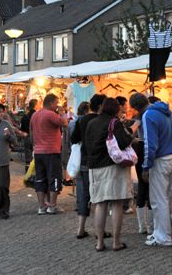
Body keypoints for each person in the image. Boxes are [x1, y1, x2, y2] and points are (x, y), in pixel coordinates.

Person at [84, 98, 134, 252]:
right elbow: (124, 142)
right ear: (115, 109)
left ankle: (99, 242)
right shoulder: (115, 123)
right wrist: (132, 136)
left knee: (100, 204)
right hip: (113, 167)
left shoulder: (91, 123)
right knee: (117, 203)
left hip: (95, 167)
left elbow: (87, 144)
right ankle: (116, 242)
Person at [130, 93, 172, 247]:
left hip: (160, 159)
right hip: (171, 156)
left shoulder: (148, 115)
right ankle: (159, 232)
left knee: (158, 199)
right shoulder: (166, 112)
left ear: (136, 107)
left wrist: (146, 166)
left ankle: (163, 236)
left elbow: (150, 143)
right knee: (164, 197)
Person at [70, 95, 106, 239]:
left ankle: (80, 229)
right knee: (99, 197)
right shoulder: (103, 120)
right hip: (99, 162)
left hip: (85, 161)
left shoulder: (82, 120)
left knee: (85, 194)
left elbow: (74, 139)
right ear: (101, 105)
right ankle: (100, 231)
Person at [30, 93, 68, 215]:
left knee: (40, 178)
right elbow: (65, 123)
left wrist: (35, 145)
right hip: (51, 151)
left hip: (38, 151)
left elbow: (31, 132)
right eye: (56, 103)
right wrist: (62, 113)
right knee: (54, 178)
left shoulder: (35, 115)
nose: (57, 106)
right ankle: (52, 205)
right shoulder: (51, 114)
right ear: (51, 103)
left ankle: (42, 206)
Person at [129, 97, 152, 235]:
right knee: (149, 187)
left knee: (143, 187)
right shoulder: (150, 113)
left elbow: (132, 130)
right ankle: (148, 226)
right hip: (147, 148)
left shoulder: (140, 115)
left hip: (140, 148)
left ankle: (142, 226)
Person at [19, 99, 38, 167]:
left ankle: (28, 167)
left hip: (27, 136)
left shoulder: (25, 116)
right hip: (36, 136)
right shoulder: (38, 115)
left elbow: (22, 128)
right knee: (36, 152)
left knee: (27, 152)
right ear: (36, 105)